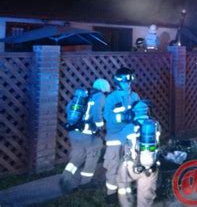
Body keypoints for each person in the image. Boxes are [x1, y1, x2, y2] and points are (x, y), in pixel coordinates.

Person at [59, 78, 110, 193]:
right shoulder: (100, 96)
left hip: (74, 133)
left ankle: (65, 178)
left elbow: (68, 108)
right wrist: (100, 126)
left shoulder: (82, 95)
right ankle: (86, 182)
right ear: (104, 88)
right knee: (93, 155)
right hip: (88, 134)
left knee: (77, 156)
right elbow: (97, 112)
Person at [103, 67, 141, 204]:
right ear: (118, 81)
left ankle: (126, 191)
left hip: (130, 138)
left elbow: (140, 112)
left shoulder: (135, 96)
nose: (128, 84)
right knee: (113, 166)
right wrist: (124, 117)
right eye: (125, 81)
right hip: (115, 138)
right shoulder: (112, 97)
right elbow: (108, 116)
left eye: (130, 81)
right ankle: (111, 194)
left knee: (130, 164)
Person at [117, 100, 161, 207]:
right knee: (146, 197)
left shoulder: (128, 127)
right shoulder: (155, 125)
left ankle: (126, 204)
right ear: (147, 111)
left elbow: (121, 142)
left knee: (122, 186)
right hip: (149, 167)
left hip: (129, 167)